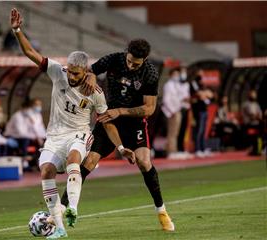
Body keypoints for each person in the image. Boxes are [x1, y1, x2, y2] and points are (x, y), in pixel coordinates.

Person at [11, 8, 135, 239]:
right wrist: (17, 30)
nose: (73, 77)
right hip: (55, 135)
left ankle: (73, 209)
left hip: (79, 133)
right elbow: (30, 52)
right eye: (71, 72)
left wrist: (120, 148)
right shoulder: (58, 72)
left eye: (78, 74)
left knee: (73, 160)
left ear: (86, 71)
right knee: (46, 170)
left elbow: (106, 122)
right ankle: (59, 228)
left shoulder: (95, 92)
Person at [60, 39, 175, 231]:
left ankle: (161, 211)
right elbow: (90, 71)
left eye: (136, 64)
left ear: (145, 60)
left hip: (134, 123)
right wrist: (92, 76)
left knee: (144, 162)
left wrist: (121, 111)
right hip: (108, 119)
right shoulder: (113, 60)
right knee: (88, 162)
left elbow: (149, 108)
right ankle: (62, 208)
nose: (131, 65)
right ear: (126, 53)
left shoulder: (150, 73)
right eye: (129, 60)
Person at [190, 70, 213, 157]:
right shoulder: (194, 83)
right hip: (198, 110)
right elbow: (200, 95)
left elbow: (210, 94)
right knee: (198, 130)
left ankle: (203, 148)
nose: (201, 75)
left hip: (204, 109)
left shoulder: (203, 84)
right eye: (200, 74)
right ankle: (197, 149)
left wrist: (205, 94)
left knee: (203, 130)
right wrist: (204, 94)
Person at [162, 68, 182, 159]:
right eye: (175, 74)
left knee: (175, 133)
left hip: (177, 110)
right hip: (172, 112)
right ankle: (170, 151)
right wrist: (172, 111)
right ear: (170, 75)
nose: (177, 76)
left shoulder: (176, 85)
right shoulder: (168, 85)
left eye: (178, 74)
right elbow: (166, 100)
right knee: (171, 132)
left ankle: (174, 150)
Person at [241, 90, 263, 155]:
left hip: (256, 123)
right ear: (249, 95)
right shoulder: (246, 104)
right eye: (253, 94)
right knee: (260, 128)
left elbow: (260, 114)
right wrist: (259, 118)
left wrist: (260, 118)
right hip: (249, 123)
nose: (254, 96)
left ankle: (259, 148)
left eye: (255, 94)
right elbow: (252, 115)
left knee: (262, 129)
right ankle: (255, 148)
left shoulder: (256, 104)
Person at [177, 67, 192, 157]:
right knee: (179, 129)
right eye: (182, 72)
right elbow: (177, 96)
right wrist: (183, 99)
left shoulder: (186, 84)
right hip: (179, 108)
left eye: (185, 72)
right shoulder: (176, 84)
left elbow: (188, 95)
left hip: (186, 108)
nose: (184, 74)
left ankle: (182, 148)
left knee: (184, 129)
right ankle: (178, 148)